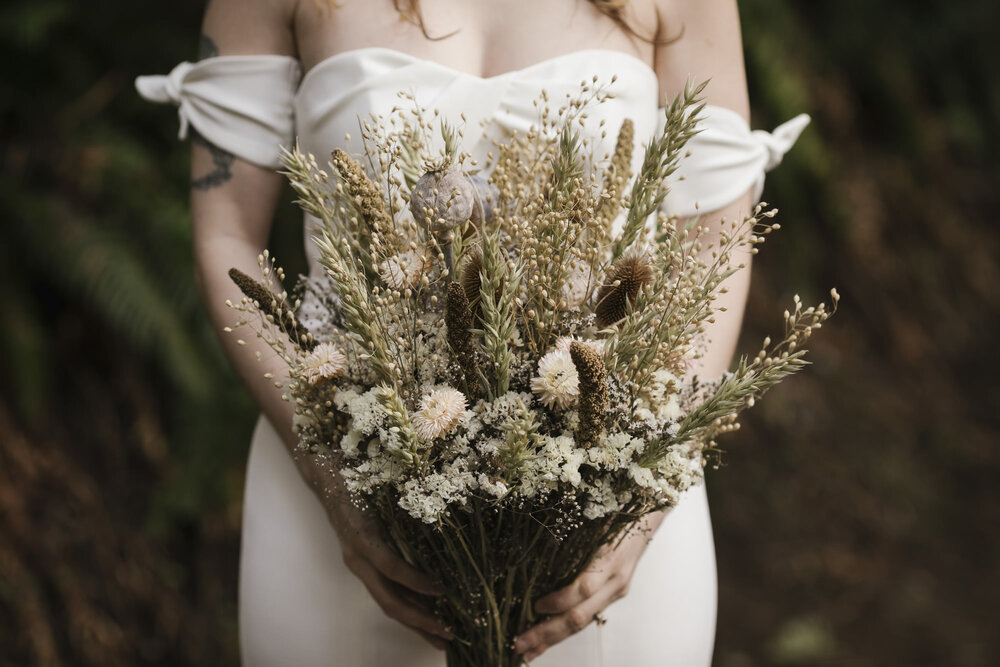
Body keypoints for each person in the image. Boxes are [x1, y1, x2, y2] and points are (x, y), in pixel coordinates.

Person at [136, 0, 808, 664]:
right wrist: (334, 482)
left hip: (611, 532)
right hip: (338, 501)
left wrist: (645, 493)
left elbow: (715, 237)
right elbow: (227, 231)